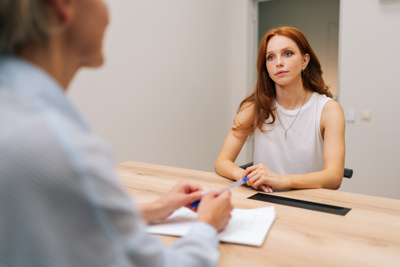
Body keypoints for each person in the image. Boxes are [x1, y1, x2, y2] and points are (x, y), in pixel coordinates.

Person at [0, 0, 233, 266]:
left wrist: (157, 208)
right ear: (63, 5)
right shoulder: (58, 149)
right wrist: (207, 225)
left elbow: (74, 217)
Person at [215, 26, 345, 193]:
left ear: (305, 61)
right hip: (265, 200)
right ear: (266, 67)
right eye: (270, 57)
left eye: (288, 53)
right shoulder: (254, 107)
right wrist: (244, 176)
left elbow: (334, 177)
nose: (278, 63)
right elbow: (222, 161)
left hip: (309, 203)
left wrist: (282, 180)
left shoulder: (329, 110)